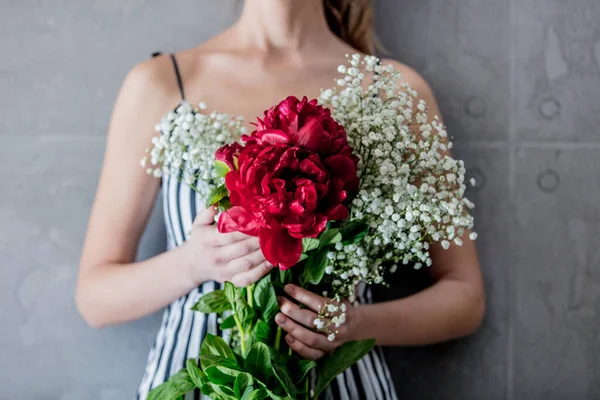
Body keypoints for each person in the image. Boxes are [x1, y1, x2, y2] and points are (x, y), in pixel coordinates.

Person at [76, 0, 485, 398]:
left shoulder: (394, 90)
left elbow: (464, 298)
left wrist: (354, 324)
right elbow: (95, 299)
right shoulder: (161, 82)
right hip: (192, 382)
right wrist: (194, 262)